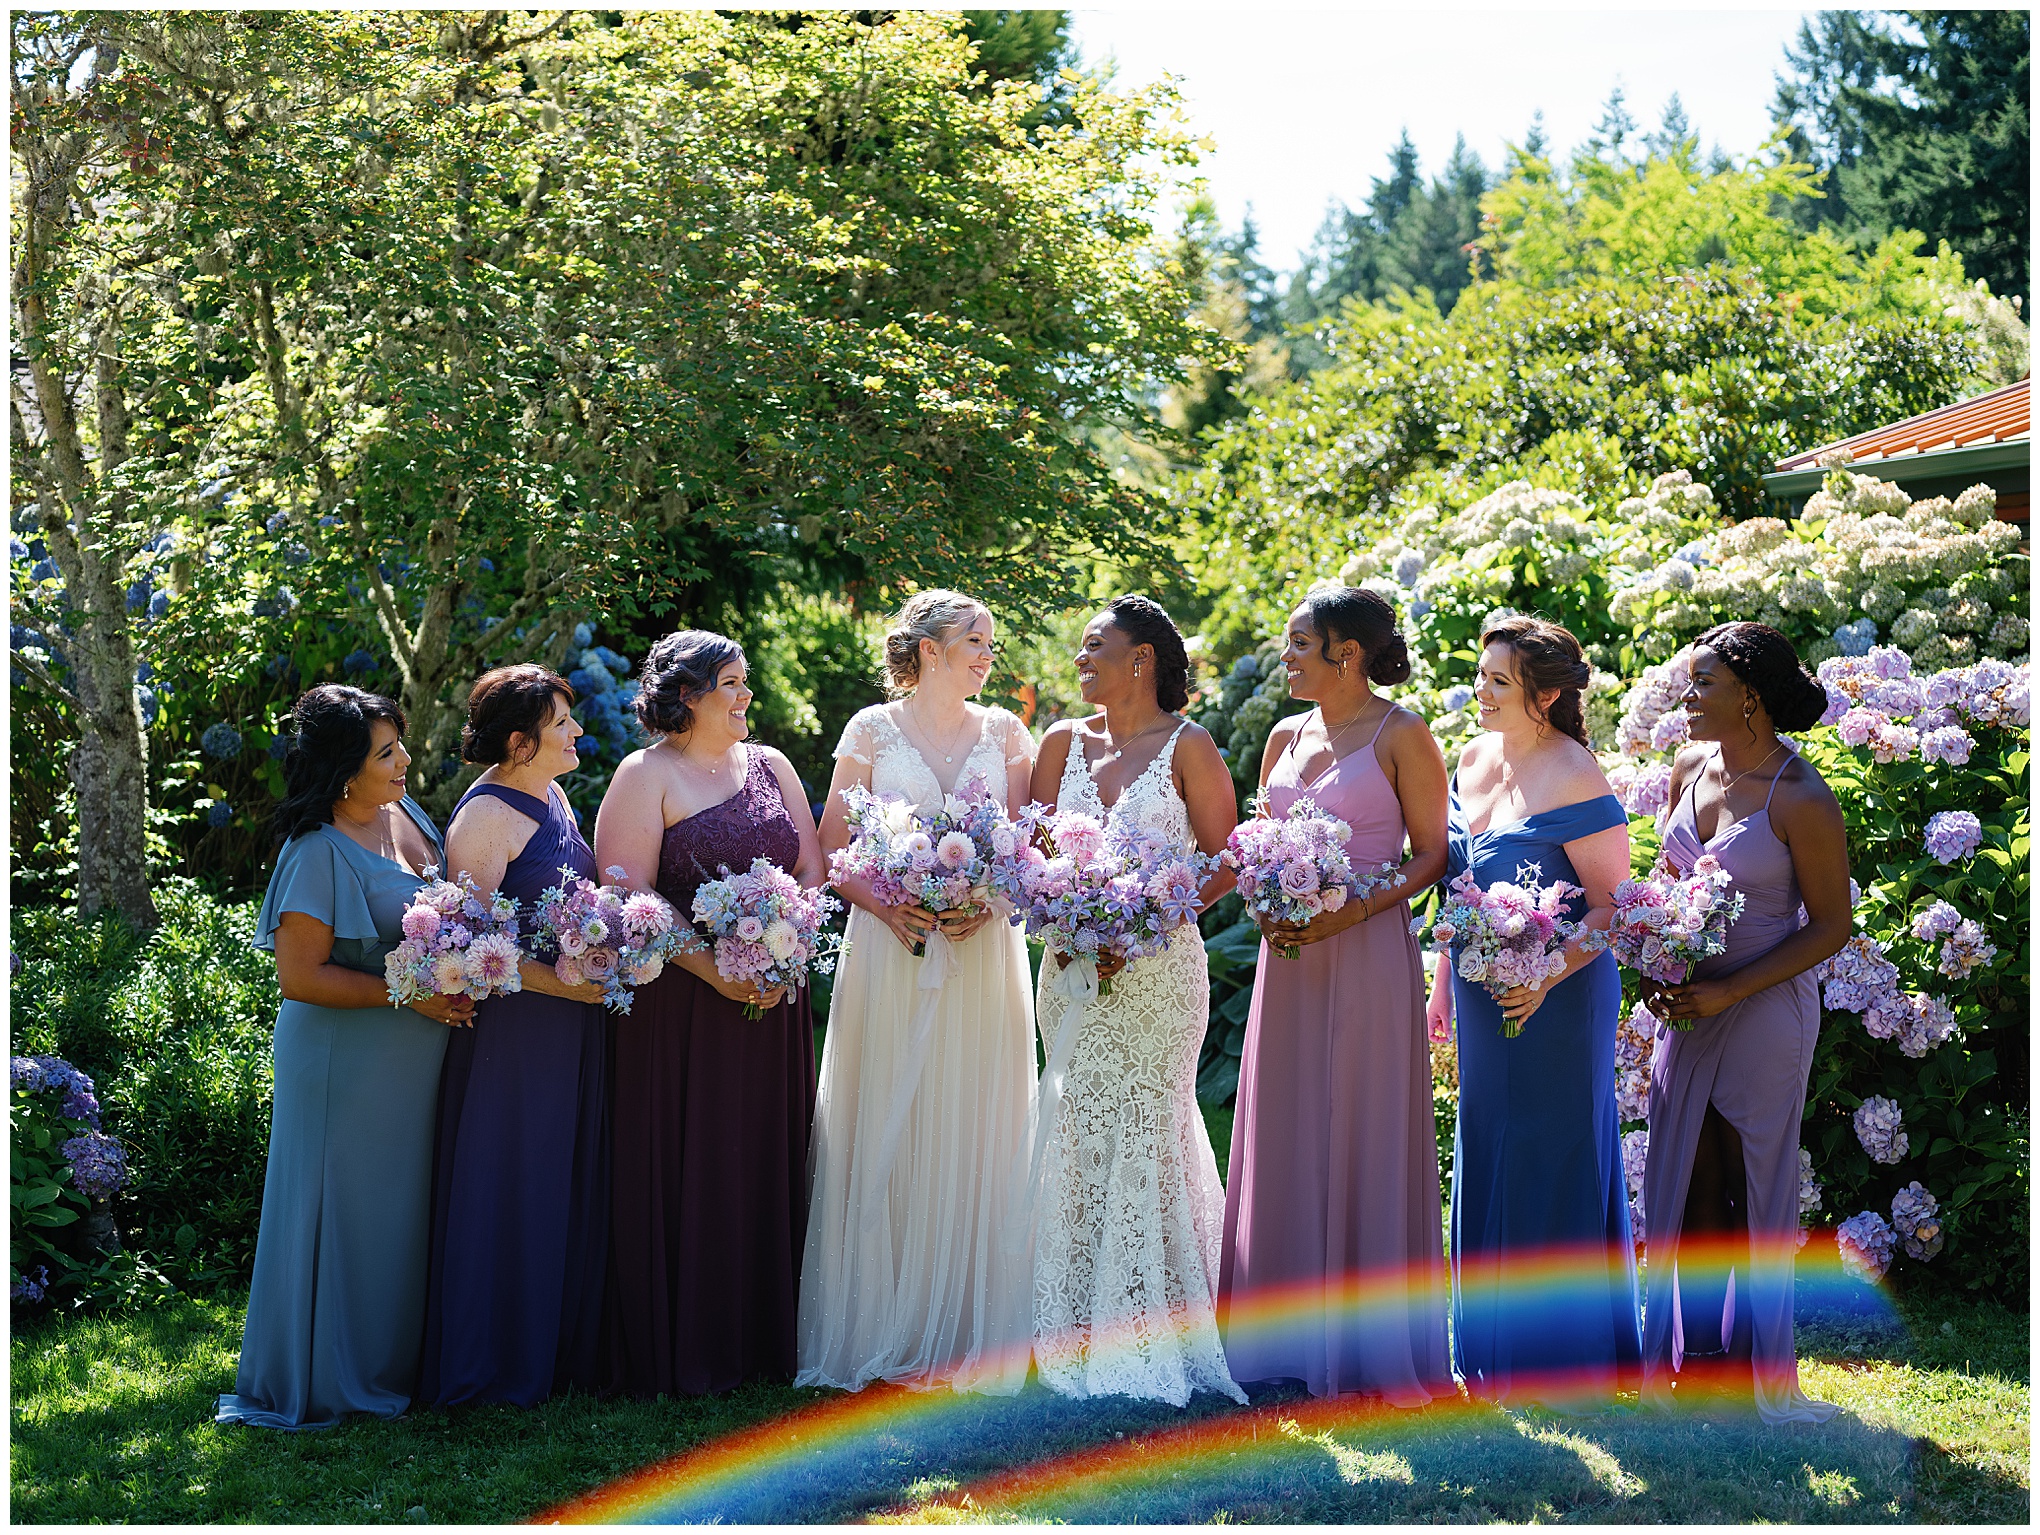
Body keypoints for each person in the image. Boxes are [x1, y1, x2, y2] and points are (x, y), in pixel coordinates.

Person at [798, 591, 1037, 1393]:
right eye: (974, 639)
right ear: (928, 648)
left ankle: (968, 1320)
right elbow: (833, 844)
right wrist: (884, 899)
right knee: (887, 1114)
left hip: (980, 954)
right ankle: (877, 1318)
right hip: (889, 946)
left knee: (976, 1116)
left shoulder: (1007, 732)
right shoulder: (869, 729)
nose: (985, 655)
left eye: (991, 644)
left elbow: (1024, 849)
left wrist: (988, 900)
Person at [1218, 586, 1452, 1404]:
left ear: (1346, 653)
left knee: (1361, 1124)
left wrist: (1348, 910)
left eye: (1298, 645)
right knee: (1284, 1124)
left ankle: (1368, 1348)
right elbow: (1255, 835)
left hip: (1365, 955)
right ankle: (1279, 1339)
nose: (1286, 658)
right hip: (1289, 960)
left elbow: (1432, 855)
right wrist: (1262, 896)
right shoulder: (1284, 734)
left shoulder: (1403, 734)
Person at [218, 686, 472, 1430]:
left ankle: (392, 1362)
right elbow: (300, 977)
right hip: (341, 1064)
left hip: (408, 1062)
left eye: (400, 746)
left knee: (394, 1215)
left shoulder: (408, 815)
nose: (403, 761)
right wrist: (412, 996)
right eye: (385, 753)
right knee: (343, 1212)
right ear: (341, 770)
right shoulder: (315, 849)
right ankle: (325, 1379)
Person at [593, 631, 826, 1396]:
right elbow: (628, 890)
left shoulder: (773, 766)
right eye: (730, 682)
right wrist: (716, 967)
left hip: (773, 997)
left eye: (745, 680)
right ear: (686, 695)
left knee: (765, 1150)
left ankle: (766, 1335)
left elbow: (810, 867)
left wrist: (783, 943)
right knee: (695, 1156)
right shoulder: (644, 774)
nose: (745, 695)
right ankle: (690, 1337)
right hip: (683, 1007)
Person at [1026, 595, 1245, 1406]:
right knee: (1080, 1124)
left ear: (1142, 658)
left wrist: (1150, 917)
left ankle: (1157, 1324)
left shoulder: (1190, 747)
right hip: (1072, 968)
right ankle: (1071, 1321)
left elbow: (1227, 859)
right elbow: (1032, 852)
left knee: (1152, 1123)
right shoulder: (1060, 743)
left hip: (1160, 974)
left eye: (1095, 647)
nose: (1081, 660)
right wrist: (1073, 917)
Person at [1641, 623, 1848, 1424]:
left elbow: (1831, 925)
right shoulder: (1689, 767)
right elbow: (1666, 886)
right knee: (1688, 1179)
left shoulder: (1802, 796)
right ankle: (1698, 1360)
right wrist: (1657, 960)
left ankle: (1751, 1370)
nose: (1687, 698)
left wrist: (1732, 992)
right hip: (1687, 1006)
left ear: (1751, 698)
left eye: (1703, 685)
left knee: (1745, 1182)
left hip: (1764, 1007)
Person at [1431, 615, 1639, 1408]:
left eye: (1497, 681)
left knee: (1552, 1151)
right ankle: (1488, 1352)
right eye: (1479, 676)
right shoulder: (1472, 755)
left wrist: (1547, 973)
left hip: (1562, 995)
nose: (1477, 692)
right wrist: (1443, 986)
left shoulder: (1576, 772)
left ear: (1544, 695)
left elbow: (1616, 905)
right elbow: (1457, 886)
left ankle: (1565, 1360)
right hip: (1483, 991)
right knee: (1489, 1145)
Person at [421, 665, 610, 1408]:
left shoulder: (555, 793)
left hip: (570, 1018)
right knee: (510, 1181)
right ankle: (492, 1362)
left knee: (558, 1175)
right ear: (518, 740)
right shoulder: (484, 819)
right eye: (562, 723)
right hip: (516, 1030)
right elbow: (470, 946)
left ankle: (555, 1349)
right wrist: (562, 980)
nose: (577, 732)